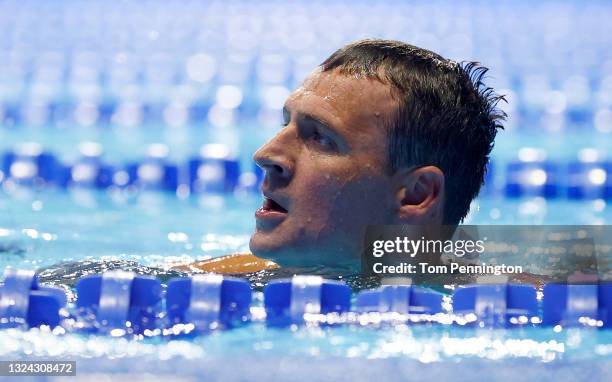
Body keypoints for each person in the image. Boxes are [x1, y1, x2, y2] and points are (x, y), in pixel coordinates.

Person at [175, 39, 506, 279]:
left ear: (416, 194)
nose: (265, 155)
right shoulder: (208, 283)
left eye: (320, 137)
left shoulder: (522, 306)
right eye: (285, 123)